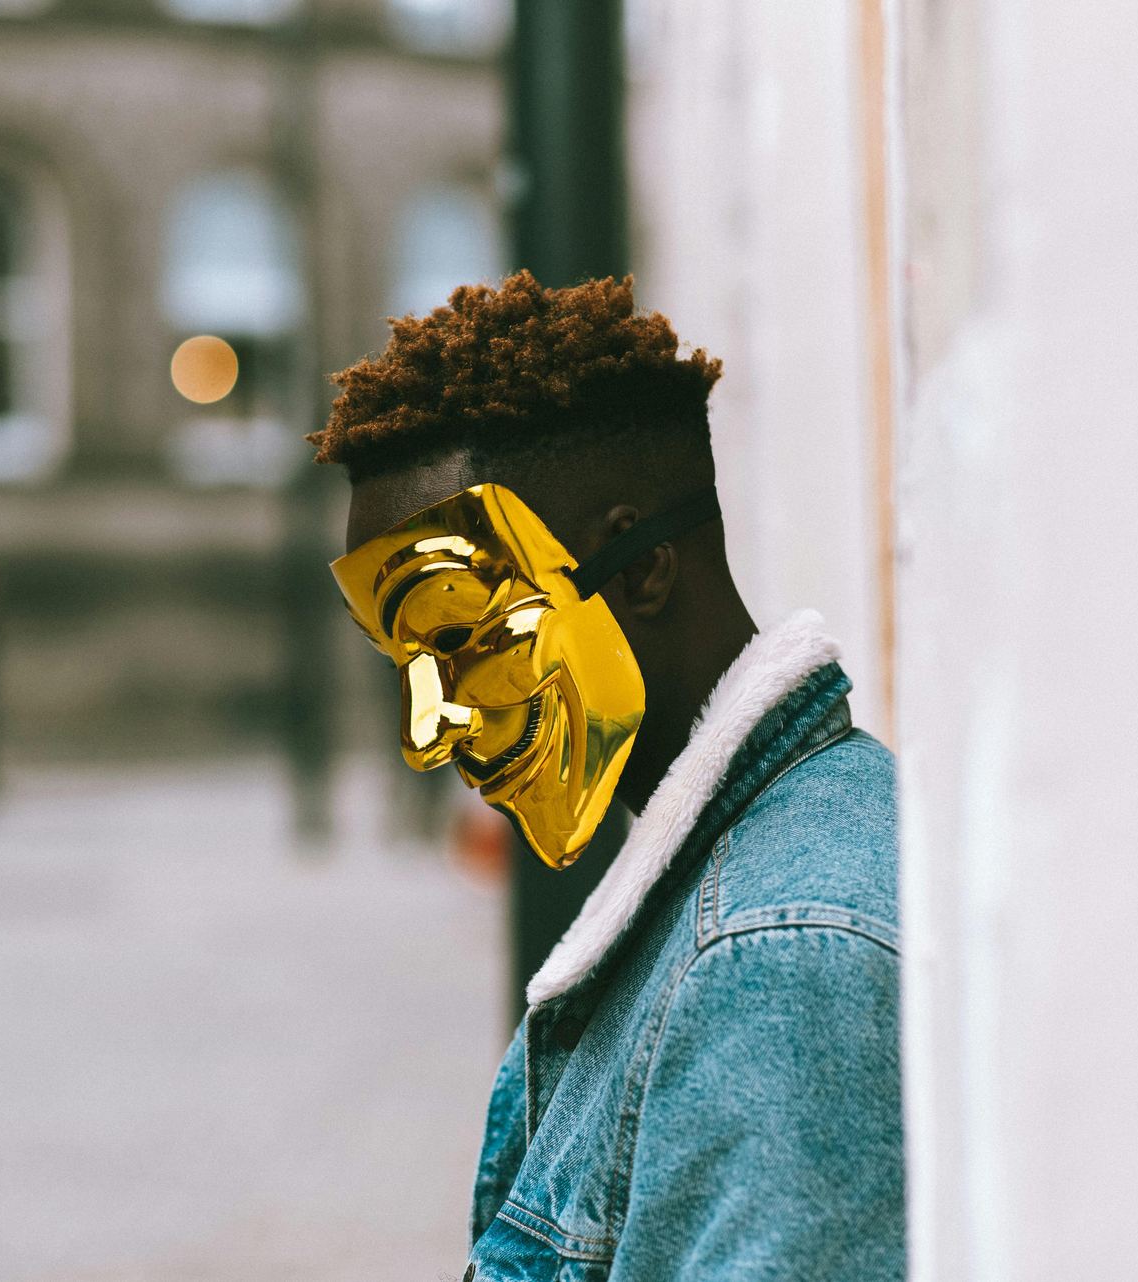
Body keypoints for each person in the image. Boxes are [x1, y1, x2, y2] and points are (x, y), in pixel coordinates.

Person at [312, 272, 903, 1279]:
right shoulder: (753, 891)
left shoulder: (775, 962)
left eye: (458, 640)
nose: (428, 730)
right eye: (404, 665)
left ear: (639, 571)